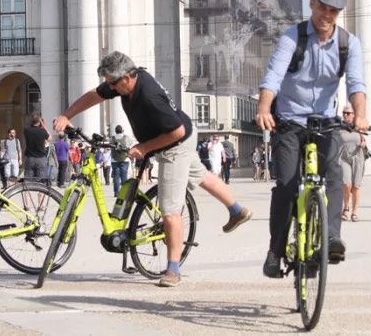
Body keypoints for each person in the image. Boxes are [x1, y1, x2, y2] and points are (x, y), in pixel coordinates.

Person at [53, 51, 251, 287]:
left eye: (113, 83)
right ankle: (237, 210)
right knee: (200, 175)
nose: (110, 87)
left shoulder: (149, 96)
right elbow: (95, 95)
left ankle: (173, 269)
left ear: (127, 77)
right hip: (181, 133)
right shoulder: (123, 82)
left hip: (174, 145)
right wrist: (67, 115)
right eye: (108, 83)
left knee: (169, 209)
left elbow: (175, 132)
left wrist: (145, 147)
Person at [256, 0, 368, 279]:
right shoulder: (293, 37)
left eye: (333, 11)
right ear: (312, 4)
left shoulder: (348, 43)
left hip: (325, 121)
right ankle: (275, 251)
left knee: (333, 174)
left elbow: (356, 83)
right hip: (290, 120)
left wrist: (361, 115)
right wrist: (264, 108)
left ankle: (331, 238)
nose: (327, 16)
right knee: (287, 186)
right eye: (322, 8)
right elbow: (274, 75)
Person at [339, 103, 366, 222]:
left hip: (357, 158)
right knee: (346, 184)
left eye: (348, 113)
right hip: (344, 158)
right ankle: (345, 208)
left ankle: (355, 211)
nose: (345, 115)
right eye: (344, 113)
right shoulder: (339, 128)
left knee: (355, 187)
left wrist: (364, 144)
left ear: (353, 115)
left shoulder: (358, 127)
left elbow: (364, 141)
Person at [23, 113, 51, 180]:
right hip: (41, 158)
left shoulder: (27, 130)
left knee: (28, 179)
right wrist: (43, 125)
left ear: (31, 121)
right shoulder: (42, 131)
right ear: (39, 122)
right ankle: (39, 190)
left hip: (29, 158)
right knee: (41, 180)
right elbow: (50, 137)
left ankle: (28, 190)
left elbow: (29, 127)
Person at [110, 125, 133, 197]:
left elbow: (110, 146)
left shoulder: (112, 138)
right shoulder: (126, 137)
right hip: (124, 159)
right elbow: (130, 145)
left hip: (114, 159)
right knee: (124, 176)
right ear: (122, 130)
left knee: (116, 177)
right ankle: (124, 192)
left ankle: (116, 192)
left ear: (115, 131)